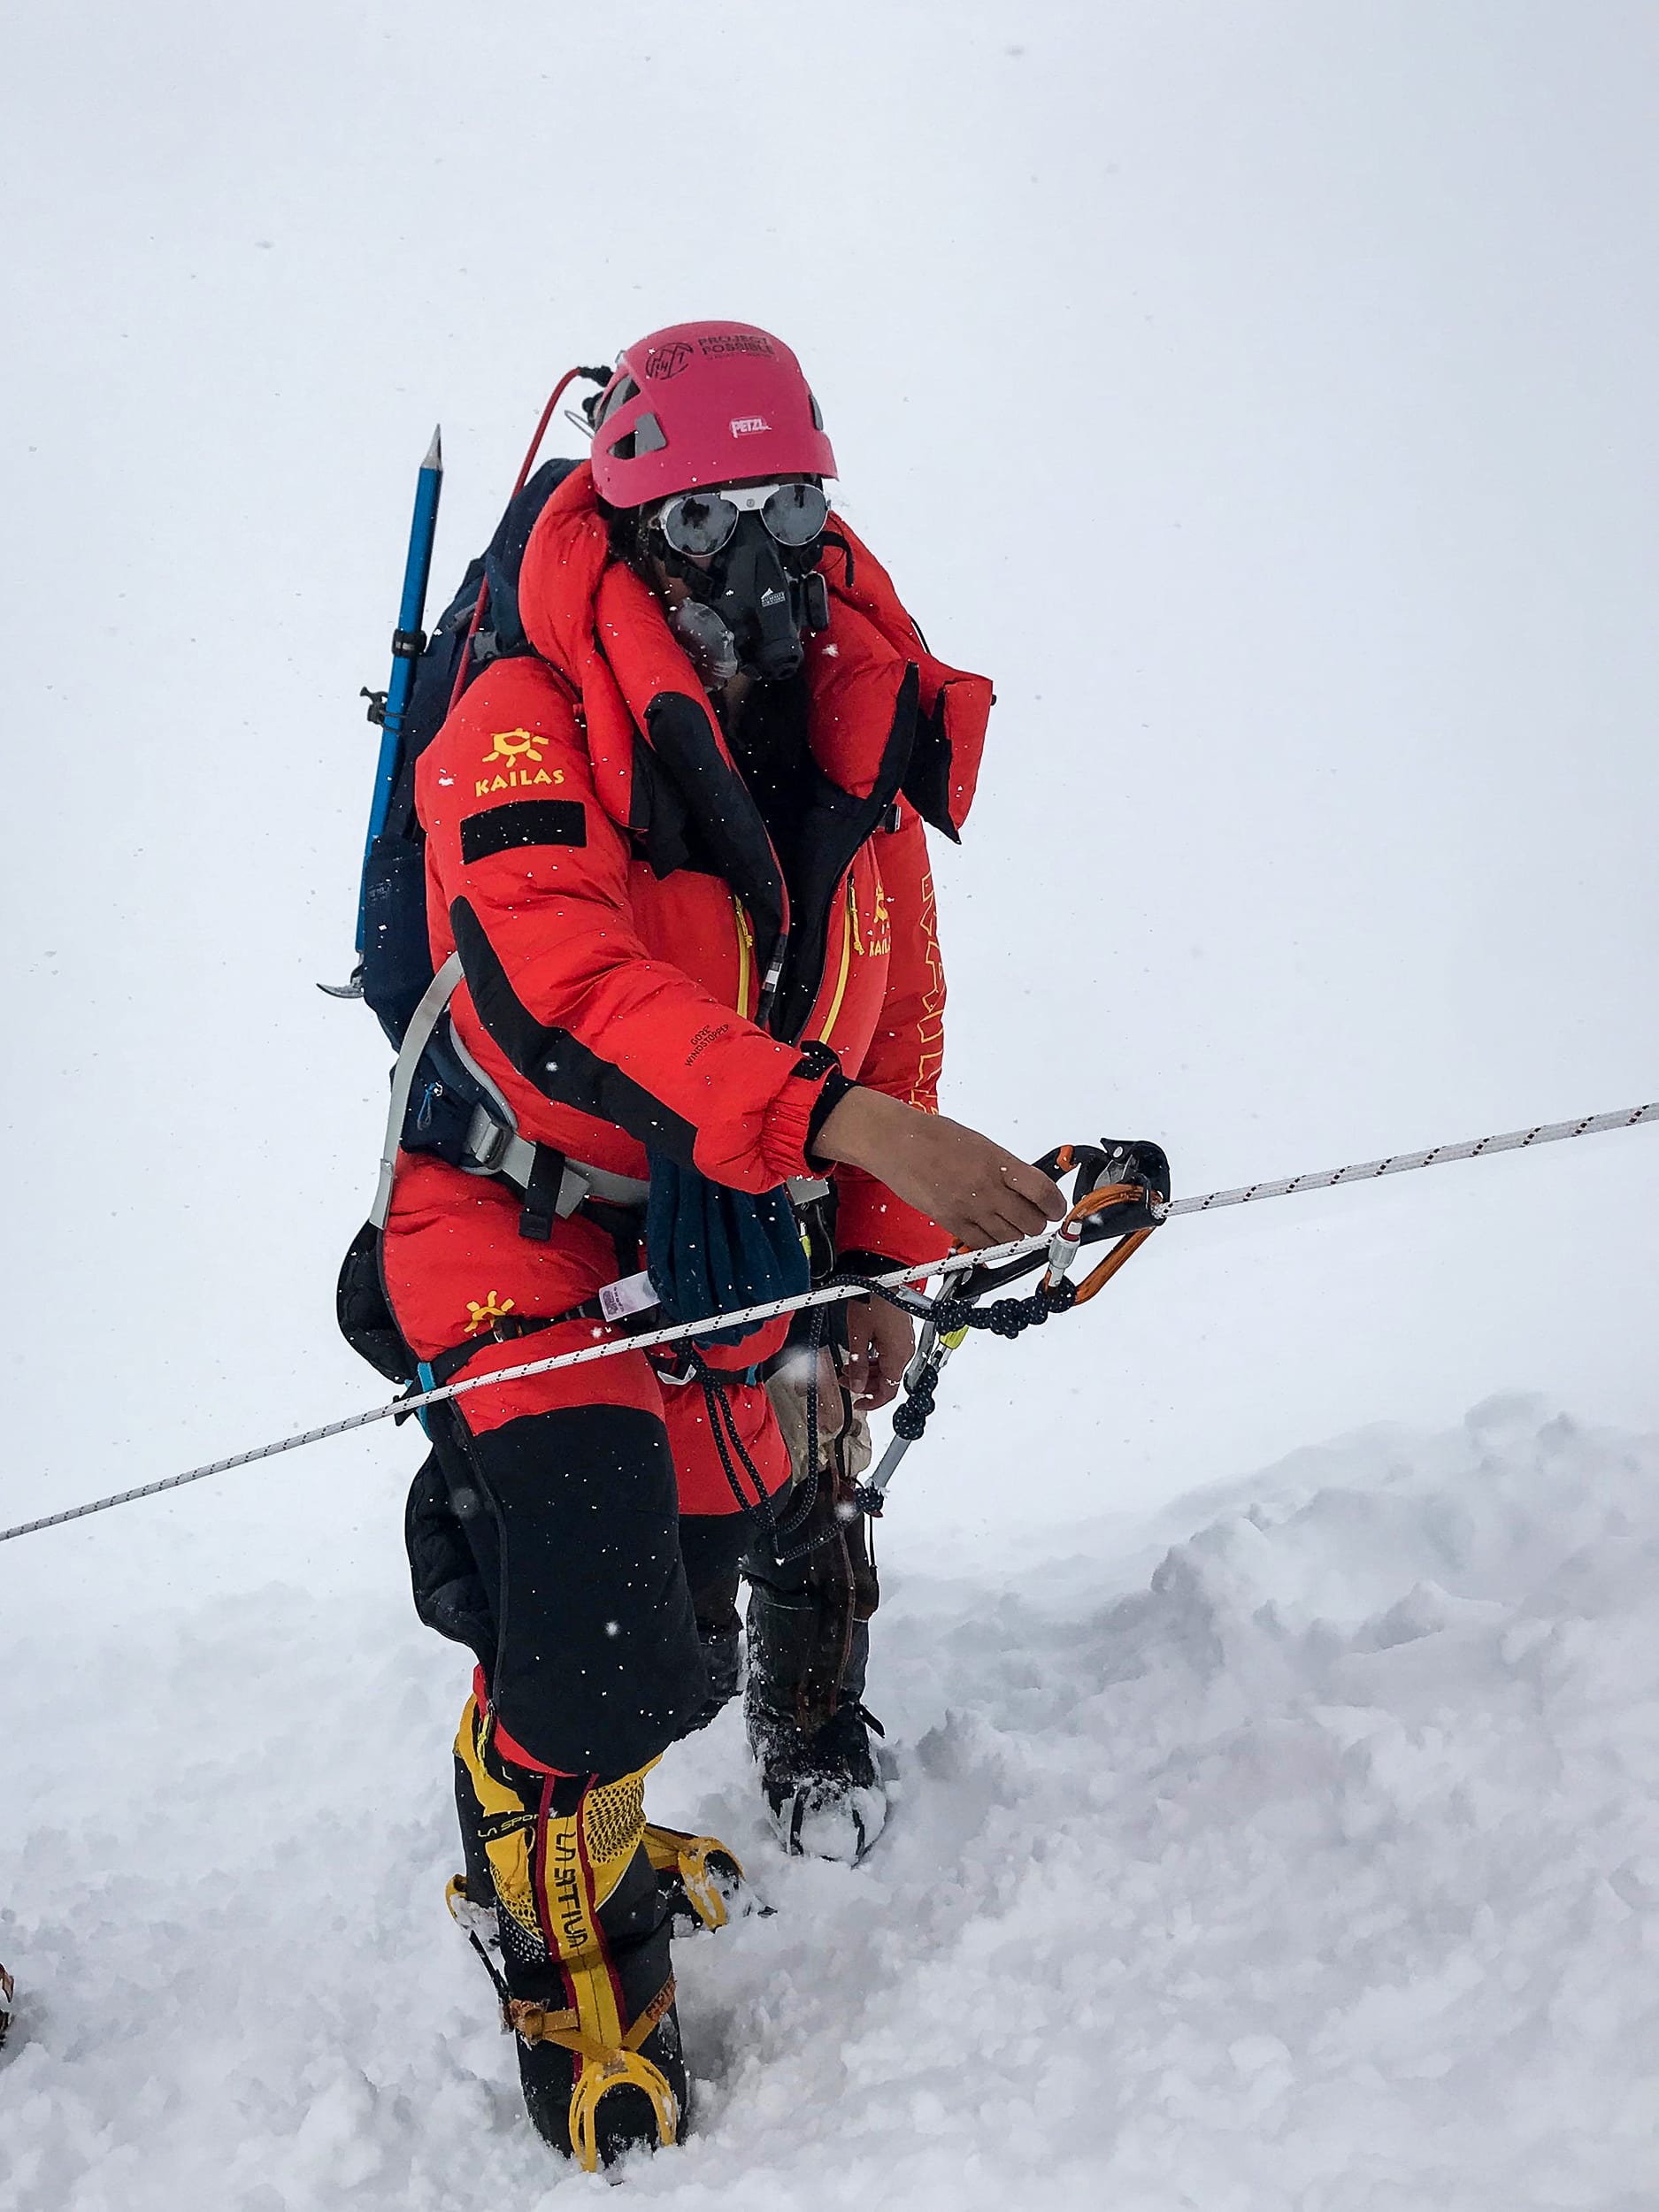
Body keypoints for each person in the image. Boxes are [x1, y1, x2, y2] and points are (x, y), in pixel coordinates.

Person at [380, 320, 1063, 2168]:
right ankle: (553, 1925)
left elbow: (888, 1015)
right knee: (593, 1618)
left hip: (732, 1209)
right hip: (515, 1208)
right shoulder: (521, 702)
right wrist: (837, 1129)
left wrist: (880, 1268)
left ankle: (591, 1798)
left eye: (794, 505)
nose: (764, 557)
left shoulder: (842, 704)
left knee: (702, 1572)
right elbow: (563, 978)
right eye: (716, 517)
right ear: (642, 522)